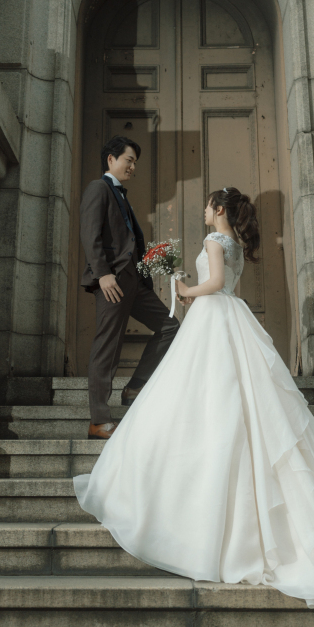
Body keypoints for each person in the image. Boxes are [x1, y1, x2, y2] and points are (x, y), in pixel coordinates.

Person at [75, 186, 314, 627]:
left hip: (213, 318)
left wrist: (183, 289)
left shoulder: (212, 243)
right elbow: (226, 284)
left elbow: (215, 285)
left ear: (218, 209)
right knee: (229, 396)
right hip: (228, 321)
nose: (204, 211)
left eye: (207, 205)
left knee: (206, 396)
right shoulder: (235, 243)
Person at [79, 135, 179, 440]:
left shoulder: (121, 195)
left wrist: (153, 261)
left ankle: (134, 387)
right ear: (111, 159)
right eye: (129, 160)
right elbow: (90, 234)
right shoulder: (99, 188)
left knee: (170, 327)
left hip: (135, 281)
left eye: (135, 162)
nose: (133, 167)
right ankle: (99, 420)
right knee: (107, 346)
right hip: (112, 282)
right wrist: (103, 274)